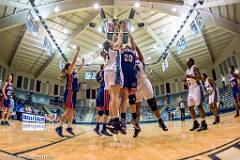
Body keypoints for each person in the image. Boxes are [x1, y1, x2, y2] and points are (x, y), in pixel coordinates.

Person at [133, 45, 168, 138]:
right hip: (135, 86)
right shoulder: (127, 62)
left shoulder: (140, 60)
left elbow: (139, 53)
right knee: (136, 109)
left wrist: (135, 45)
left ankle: (161, 122)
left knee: (153, 105)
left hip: (144, 83)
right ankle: (137, 127)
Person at [55, 46, 84, 137]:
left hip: (74, 93)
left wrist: (83, 62)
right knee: (68, 112)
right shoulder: (70, 71)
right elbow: (74, 62)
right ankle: (59, 127)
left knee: (72, 112)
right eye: (71, 64)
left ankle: (69, 127)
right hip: (69, 92)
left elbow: (79, 69)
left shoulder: (74, 72)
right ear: (68, 67)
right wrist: (78, 52)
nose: (73, 64)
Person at [103, 21, 125, 134]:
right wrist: (121, 29)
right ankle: (116, 121)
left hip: (107, 72)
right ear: (111, 44)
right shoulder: (115, 47)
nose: (114, 41)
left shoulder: (108, 50)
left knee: (113, 97)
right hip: (114, 71)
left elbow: (114, 38)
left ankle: (112, 120)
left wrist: (115, 29)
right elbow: (119, 38)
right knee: (116, 96)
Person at [119, 33, 140, 134]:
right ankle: (127, 119)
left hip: (129, 75)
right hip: (128, 75)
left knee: (129, 99)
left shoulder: (127, 51)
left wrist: (130, 37)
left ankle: (130, 119)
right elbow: (124, 44)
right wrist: (128, 35)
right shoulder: (127, 51)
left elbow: (133, 45)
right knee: (127, 98)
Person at [183, 58, 207, 132]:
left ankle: (203, 124)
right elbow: (189, 83)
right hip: (190, 90)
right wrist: (185, 82)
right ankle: (195, 123)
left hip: (197, 88)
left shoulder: (195, 67)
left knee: (199, 106)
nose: (185, 62)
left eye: (187, 60)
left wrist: (190, 77)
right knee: (190, 108)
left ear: (191, 62)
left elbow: (200, 78)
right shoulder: (187, 71)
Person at [94, 64, 112, 137]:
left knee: (100, 112)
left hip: (99, 91)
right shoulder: (105, 71)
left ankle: (97, 127)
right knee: (107, 111)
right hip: (104, 91)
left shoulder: (99, 73)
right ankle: (103, 129)